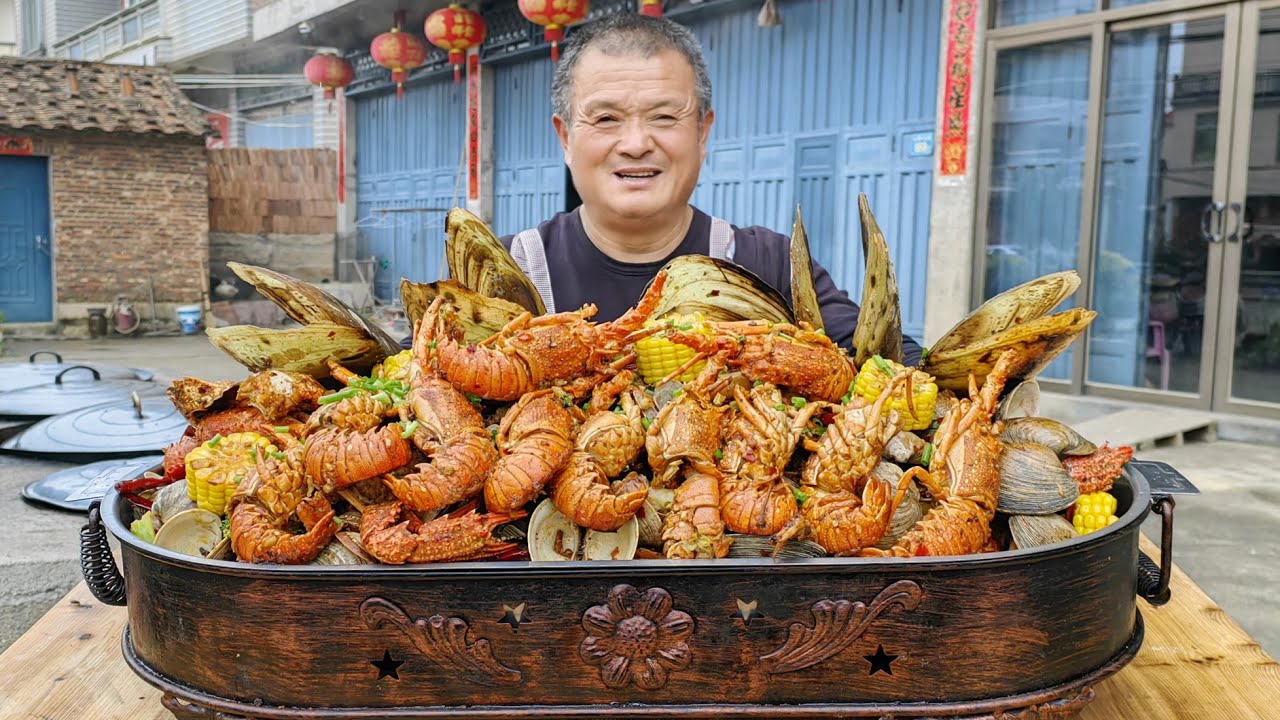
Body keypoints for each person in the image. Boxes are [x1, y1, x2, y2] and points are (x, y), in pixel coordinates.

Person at [505, 14, 923, 364]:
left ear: (703, 133)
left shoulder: (769, 264)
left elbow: (886, 358)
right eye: (606, 119)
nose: (635, 144)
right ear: (565, 138)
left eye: (665, 117)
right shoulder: (512, 268)